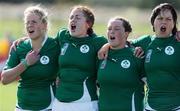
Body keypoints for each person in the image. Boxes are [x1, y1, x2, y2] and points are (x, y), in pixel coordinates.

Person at [98, 3, 180, 111]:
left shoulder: (178, 42)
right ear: (153, 22)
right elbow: (122, 41)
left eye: (168, 19)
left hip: (176, 105)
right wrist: (106, 46)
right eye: (160, 18)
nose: (163, 22)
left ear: (174, 24)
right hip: (151, 106)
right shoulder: (146, 42)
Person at [1, 5, 59, 111]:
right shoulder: (19, 47)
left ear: (44, 25)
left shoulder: (55, 45)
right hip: (22, 107)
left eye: (34, 22)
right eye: (27, 22)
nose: (29, 25)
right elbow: (4, 79)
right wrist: (26, 63)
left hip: (48, 106)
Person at [52, 5, 107, 111]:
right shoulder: (63, 36)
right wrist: (26, 40)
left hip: (85, 103)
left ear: (88, 24)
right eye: (71, 17)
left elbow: (119, 45)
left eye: (77, 18)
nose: (73, 20)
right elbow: (46, 47)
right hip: (59, 102)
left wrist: (107, 46)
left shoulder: (98, 42)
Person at [97, 17, 145, 111]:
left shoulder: (136, 55)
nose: (112, 31)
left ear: (126, 34)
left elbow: (152, 84)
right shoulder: (101, 55)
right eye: (109, 29)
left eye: (117, 29)